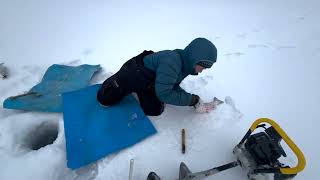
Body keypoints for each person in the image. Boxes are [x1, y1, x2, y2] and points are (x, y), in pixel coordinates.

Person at [97, 37, 218, 116]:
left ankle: (142, 90)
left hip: (149, 82)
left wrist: (193, 99)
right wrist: (192, 100)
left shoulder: (185, 65)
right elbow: (165, 94)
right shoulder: (172, 62)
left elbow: (172, 86)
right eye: (203, 67)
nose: (202, 71)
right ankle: (115, 82)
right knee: (104, 99)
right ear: (195, 60)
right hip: (134, 74)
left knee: (154, 110)